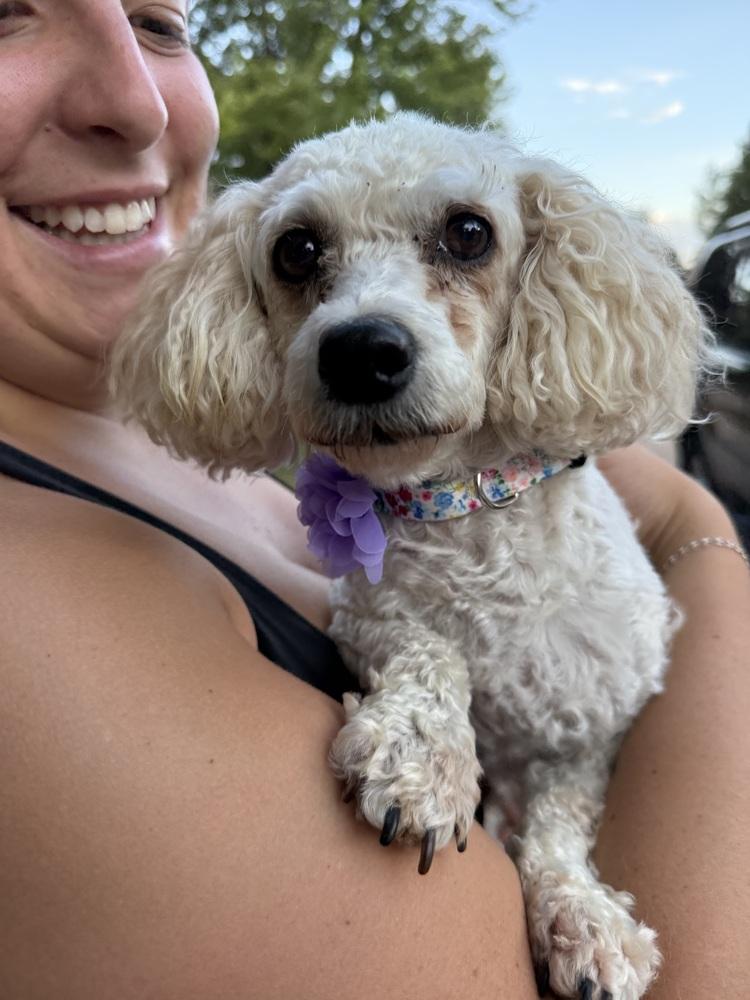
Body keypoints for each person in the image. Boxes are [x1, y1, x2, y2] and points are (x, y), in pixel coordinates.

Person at [0, 3, 747, 998]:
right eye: (302, 259)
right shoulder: (31, 612)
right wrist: (704, 533)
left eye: (159, 23)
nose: (133, 102)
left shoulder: (168, 451)